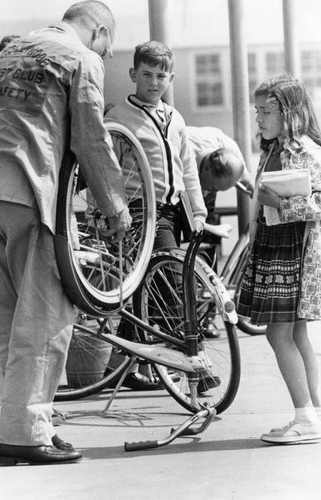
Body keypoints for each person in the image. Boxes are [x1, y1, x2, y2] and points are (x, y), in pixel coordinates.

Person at [0, 0, 131, 466]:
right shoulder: (82, 58)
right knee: (45, 314)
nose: (108, 54)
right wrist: (115, 205)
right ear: (97, 31)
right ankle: (22, 435)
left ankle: (30, 423)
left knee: (5, 317)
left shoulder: (12, 49)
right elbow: (91, 138)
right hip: (27, 192)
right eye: (109, 45)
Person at [237, 74, 321, 444]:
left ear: (288, 112)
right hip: (279, 247)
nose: (259, 119)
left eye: (266, 111)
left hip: (293, 251)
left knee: (279, 333)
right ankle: (315, 413)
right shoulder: (273, 148)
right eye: (256, 111)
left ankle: (305, 416)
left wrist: (282, 203)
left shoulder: (305, 150)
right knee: (296, 334)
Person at [106, 41, 212, 392]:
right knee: (170, 285)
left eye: (161, 76)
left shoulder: (175, 117)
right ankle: (194, 365)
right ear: (133, 74)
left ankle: (119, 365)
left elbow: (187, 168)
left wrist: (197, 210)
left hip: (172, 212)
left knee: (146, 290)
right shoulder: (119, 118)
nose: (154, 83)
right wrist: (105, 210)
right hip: (139, 213)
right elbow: (105, 170)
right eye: (147, 75)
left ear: (171, 78)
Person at [186, 125, 254, 269]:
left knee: (207, 236)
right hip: (178, 175)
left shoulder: (229, 148)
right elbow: (184, 212)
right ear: (206, 170)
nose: (210, 192)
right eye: (214, 188)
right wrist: (213, 228)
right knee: (188, 228)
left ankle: (209, 278)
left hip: (202, 166)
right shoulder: (183, 157)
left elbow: (249, 183)